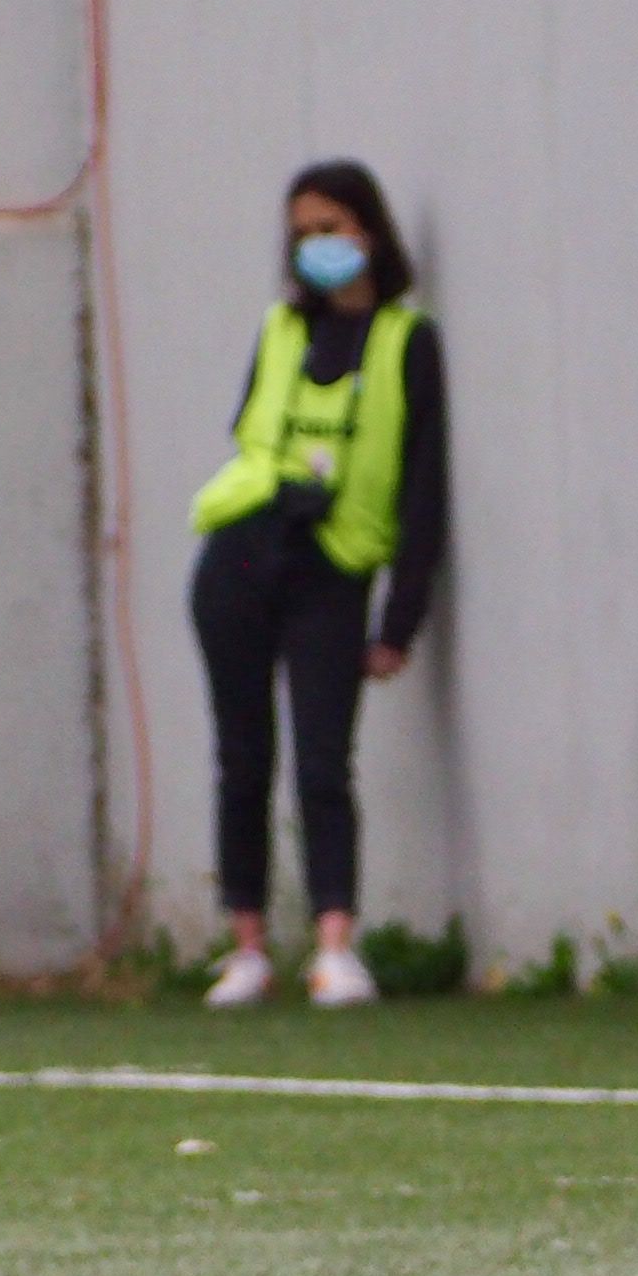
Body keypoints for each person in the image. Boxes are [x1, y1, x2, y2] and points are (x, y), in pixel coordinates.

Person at [187, 161, 448, 1009]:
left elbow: (422, 488)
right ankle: (248, 945)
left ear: (369, 232)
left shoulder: (407, 339)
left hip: (333, 569)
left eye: (331, 227)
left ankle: (335, 943)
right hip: (244, 557)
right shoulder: (280, 329)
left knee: (323, 762)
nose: (316, 247)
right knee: (242, 756)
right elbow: (251, 433)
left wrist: (399, 621)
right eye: (302, 232)